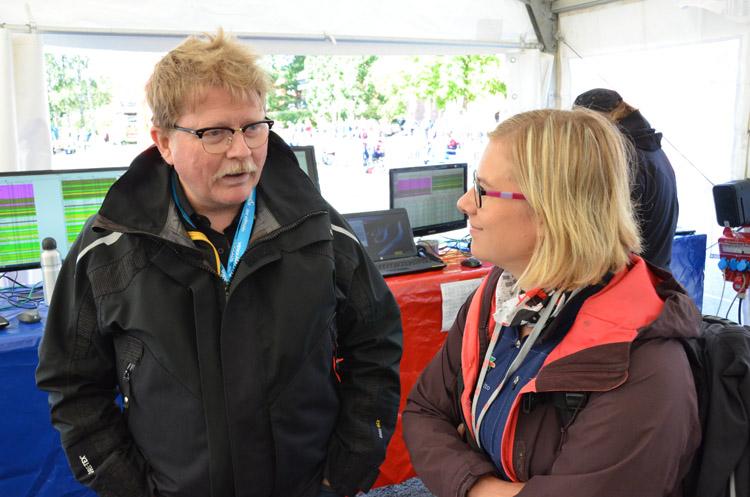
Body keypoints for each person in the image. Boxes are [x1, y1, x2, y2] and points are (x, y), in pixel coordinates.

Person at [36, 30, 402, 497]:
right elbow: (73, 387)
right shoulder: (108, 248)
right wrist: (128, 487)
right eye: (214, 133)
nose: (241, 151)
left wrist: (345, 471)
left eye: (253, 127)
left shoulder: (321, 232)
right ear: (164, 142)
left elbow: (376, 345)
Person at [402, 109, 700, 497]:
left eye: (482, 190)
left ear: (550, 210)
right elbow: (423, 412)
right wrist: (485, 486)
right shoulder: (497, 298)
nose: (464, 202)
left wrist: (460, 467)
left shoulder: (645, 365)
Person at [573, 88, 679, 269]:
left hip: (636, 274)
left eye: (581, 126)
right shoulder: (651, 150)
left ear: (597, 121)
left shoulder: (626, 158)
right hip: (655, 271)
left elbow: (614, 237)